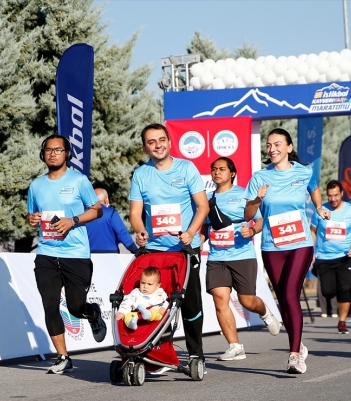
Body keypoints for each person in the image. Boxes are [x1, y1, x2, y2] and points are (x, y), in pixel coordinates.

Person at [244, 128, 330, 374]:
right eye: (269, 145)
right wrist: (256, 200)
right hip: (272, 245)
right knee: (283, 297)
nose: (272, 149)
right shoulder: (259, 177)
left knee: (291, 292)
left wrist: (319, 206)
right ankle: (298, 343)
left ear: (289, 148)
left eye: (277, 144)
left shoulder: (304, 172)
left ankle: (294, 356)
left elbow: (313, 188)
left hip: (300, 242)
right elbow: (248, 215)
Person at [129, 123, 209, 369]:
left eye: (161, 140)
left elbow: (203, 207)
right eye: (151, 142)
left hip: (184, 249)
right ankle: (159, 353)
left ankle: (195, 353)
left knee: (190, 304)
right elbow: (135, 212)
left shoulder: (186, 168)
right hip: (155, 250)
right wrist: (140, 232)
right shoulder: (141, 174)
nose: (158, 145)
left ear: (169, 142)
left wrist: (191, 233)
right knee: (156, 302)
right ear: (145, 148)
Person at [26, 134, 106, 374]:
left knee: (74, 307)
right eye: (48, 150)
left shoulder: (79, 180)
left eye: (58, 150)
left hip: (76, 254)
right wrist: (31, 219)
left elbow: (97, 211)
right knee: (50, 305)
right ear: (43, 154)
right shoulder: (36, 186)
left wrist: (73, 221)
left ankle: (92, 314)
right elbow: (32, 217)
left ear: (67, 154)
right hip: (47, 254)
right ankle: (63, 357)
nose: (53, 154)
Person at [201, 157, 280, 361]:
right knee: (220, 299)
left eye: (222, 169)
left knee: (247, 300)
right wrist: (198, 240)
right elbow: (205, 227)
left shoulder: (244, 194)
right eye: (214, 169)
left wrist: (252, 230)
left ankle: (265, 312)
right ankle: (235, 346)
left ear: (232, 173)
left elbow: (261, 218)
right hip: (217, 257)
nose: (217, 172)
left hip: (242, 256)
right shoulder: (207, 199)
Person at [310, 180, 351, 333]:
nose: (333, 199)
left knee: (345, 289)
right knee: (327, 291)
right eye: (330, 196)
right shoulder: (320, 211)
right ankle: (335, 297)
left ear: (341, 194)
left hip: (345, 256)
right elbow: (312, 231)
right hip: (324, 256)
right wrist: (310, 251)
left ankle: (342, 321)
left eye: (336, 195)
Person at [86, 188, 138, 254]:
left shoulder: (84, 214)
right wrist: (135, 251)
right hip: (110, 253)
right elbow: (122, 233)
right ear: (105, 200)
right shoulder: (111, 213)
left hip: (89, 253)